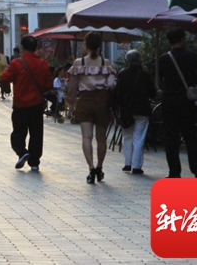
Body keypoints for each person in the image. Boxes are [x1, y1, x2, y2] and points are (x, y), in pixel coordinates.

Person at [66, 32, 117, 184]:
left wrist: (70, 105)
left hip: (85, 101)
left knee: (86, 137)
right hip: (102, 101)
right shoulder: (106, 63)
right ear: (99, 46)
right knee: (101, 138)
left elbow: (72, 87)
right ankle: (100, 167)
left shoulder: (78, 63)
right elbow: (112, 84)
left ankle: (91, 168)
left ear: (85, 45)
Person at [157, 28, 197, 179]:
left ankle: (174, 171)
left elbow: (160, 79)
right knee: (191, 136)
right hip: (186, 101)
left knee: (171, 137)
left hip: (169, 101)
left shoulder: (164, 58)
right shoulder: (191, 56)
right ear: (183, 39)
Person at [1, 35, 53, 172]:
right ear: (36, 48)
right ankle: (34, 162)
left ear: (22, 47)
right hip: (36, 104)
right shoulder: (43, 63)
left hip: (20, 105)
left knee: (18, 132)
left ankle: (22, 151)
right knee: (36, 133)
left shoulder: (17, 63)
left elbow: (4, 78)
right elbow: (49, 84)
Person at [115, 50, 155, 175]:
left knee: (127, 137)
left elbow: (117, 93)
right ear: (139, 60)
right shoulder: (145, 75)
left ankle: (127, 163)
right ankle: (137, 166)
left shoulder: (122, 74)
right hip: (142, 110)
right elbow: (152, 93)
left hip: (126, 111)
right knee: (139, 138)